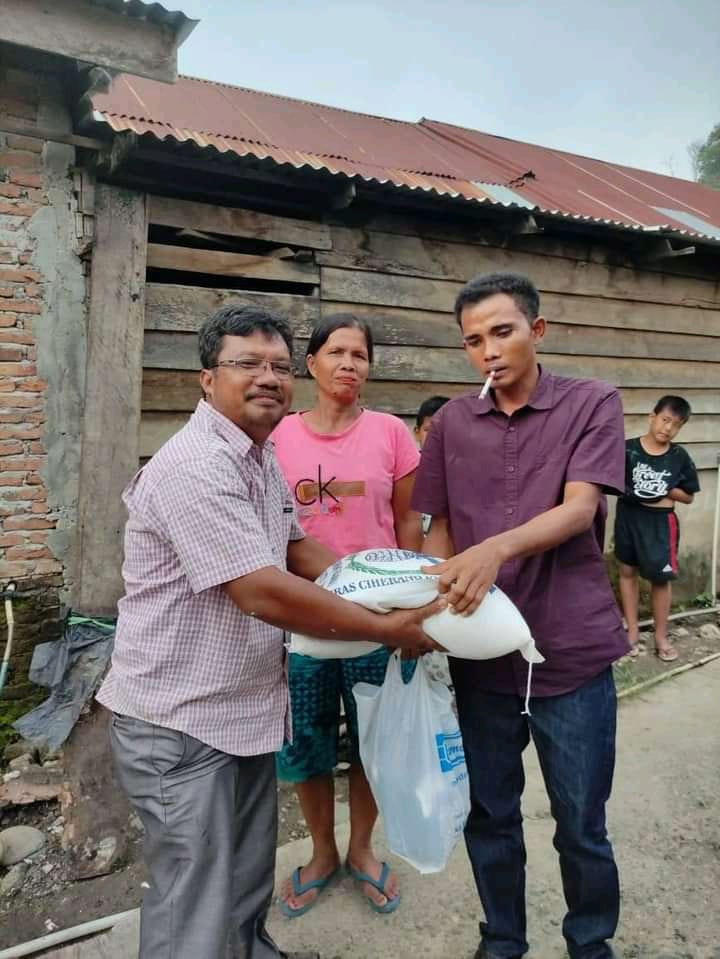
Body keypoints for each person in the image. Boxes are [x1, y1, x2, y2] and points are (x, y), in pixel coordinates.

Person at [96, 305, 441, 959]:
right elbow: (259, 589)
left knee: (244, 875)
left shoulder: (259, 455)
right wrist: (384, 626)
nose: (268, 378)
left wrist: (384, 585)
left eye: (279, 366)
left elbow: (294, 546)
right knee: (194, 899)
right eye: (247, 364)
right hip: (179, 722)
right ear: (207, 379)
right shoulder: (196, 465)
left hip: (238, 708)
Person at [412, 272, 629, 959]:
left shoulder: (592, 402)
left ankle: (589, 943)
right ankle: (503, 939)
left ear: (537, 330)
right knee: (491, 814)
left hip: (571, 651)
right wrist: (434, 600)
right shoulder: (451, 422)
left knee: (581, 823)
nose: (488, 350)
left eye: (502, 332)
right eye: (473, 340)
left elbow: (581, 507)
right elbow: (438, 527)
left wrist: (494, 548)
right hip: (482, 660)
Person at [271, 313, 423, 918]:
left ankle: (361, 848)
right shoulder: (278, 435)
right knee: (305, 747)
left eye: (359, 354)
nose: (348, 364)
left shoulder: (391, 433)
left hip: (378, 622)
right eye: (336, 352)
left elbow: (408, 522)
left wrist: (413, 604)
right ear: (311, 363)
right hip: (301, 623)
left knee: (373, 746)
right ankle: (322, 852)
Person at [614, 395, 700, 662]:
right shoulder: (627, 450)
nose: (668, 428)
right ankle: (632, 632)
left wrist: (665, 489)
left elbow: (689, 496)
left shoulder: (679, 457)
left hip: (660, 523)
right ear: (652, 417)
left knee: (660, 579)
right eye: (665, 420)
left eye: (676, 425)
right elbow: (612, 479)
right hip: (629, 517)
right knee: (627, 572)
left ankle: (661, 637)